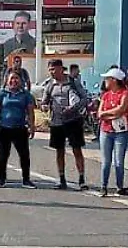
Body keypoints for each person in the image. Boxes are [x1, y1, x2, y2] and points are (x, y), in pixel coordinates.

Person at [39, 59, 90, 189]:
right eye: (50, 69)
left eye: (53, 69)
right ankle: (62, 179)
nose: (51, 72)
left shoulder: (73, 82)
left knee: (76, 149)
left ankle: (81, 179)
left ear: (61, 69)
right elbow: (44, 101)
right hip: (57, 122)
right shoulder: (50, 85)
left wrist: (73, 108)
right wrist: (44, 106)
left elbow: (84, 99)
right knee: (59, 150)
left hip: (73, 120)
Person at [0, 68, 38, 188]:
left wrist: (32, 127)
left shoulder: (26, 95)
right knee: (3, 155)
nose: (14, 81)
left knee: (24, 155)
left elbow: (30, 112)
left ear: (21, 81)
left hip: (20, 128)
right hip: (3, 128)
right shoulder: (1, 93)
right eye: (12, 78)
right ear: (7, 80)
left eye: (16, 78)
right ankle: (1, 180)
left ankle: (26, 180)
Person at [96, 67, 128, 197]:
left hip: (120, 131)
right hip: (106, 130)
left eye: (107, 78)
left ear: (114, 80)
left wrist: (107, 114)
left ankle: (119, 186)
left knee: (119, 161)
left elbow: (121, 109)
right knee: (106, 161)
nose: (105, 81)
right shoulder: (106, 95)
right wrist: (110, 114)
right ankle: (103, 186)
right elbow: (99, 113)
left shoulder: (125, 93)